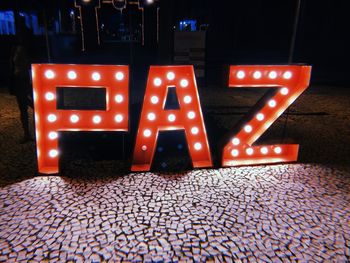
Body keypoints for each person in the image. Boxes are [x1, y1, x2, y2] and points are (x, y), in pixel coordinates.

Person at [9, 44, 34, 143]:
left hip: (25, 80)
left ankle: (29, 133)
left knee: (29, 105)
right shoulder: (16, 48)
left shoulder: (22, 49)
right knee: (23, 108)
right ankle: (27, 133)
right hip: (19, 80)